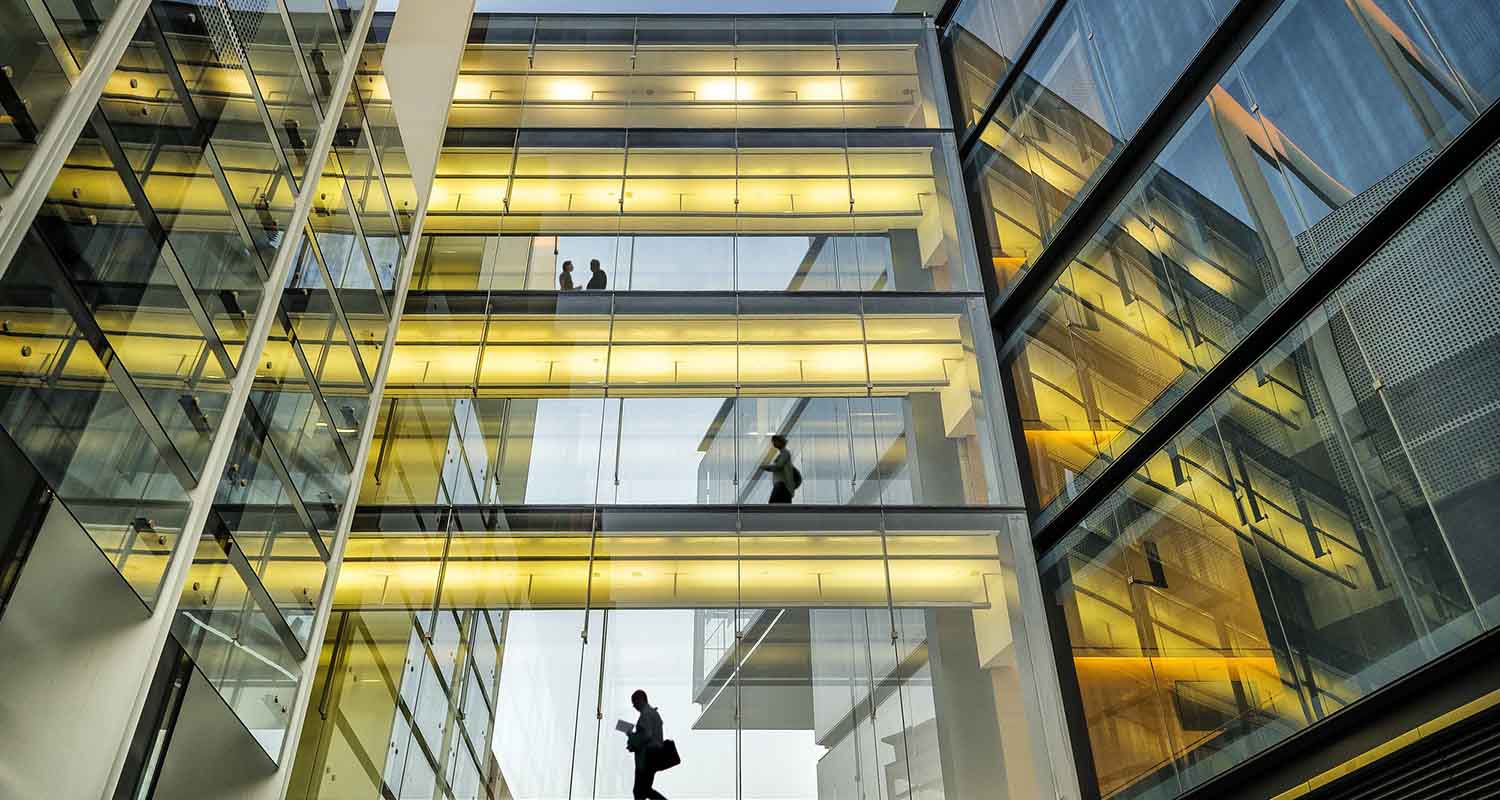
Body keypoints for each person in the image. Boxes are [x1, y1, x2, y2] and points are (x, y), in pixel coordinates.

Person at [625, 689, 668, 800]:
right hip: (652, 757)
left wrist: (631, 737)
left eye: (634, 702)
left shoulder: (646, 714)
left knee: (640, 791)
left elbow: (647, 735)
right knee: (643, 790)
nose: (634, 706)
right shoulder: (653, 713)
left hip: (646, 759)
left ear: (641, 700)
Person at [761, 434, 796, 504]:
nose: (773, 444)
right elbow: (778, 467)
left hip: (782, 484)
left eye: (775, 442)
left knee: (772, 504)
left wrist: (765, 467)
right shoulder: (782, 453)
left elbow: (778, 466)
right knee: (781, 507)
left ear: (780, 442)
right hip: (782, 485)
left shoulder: (785, 453)